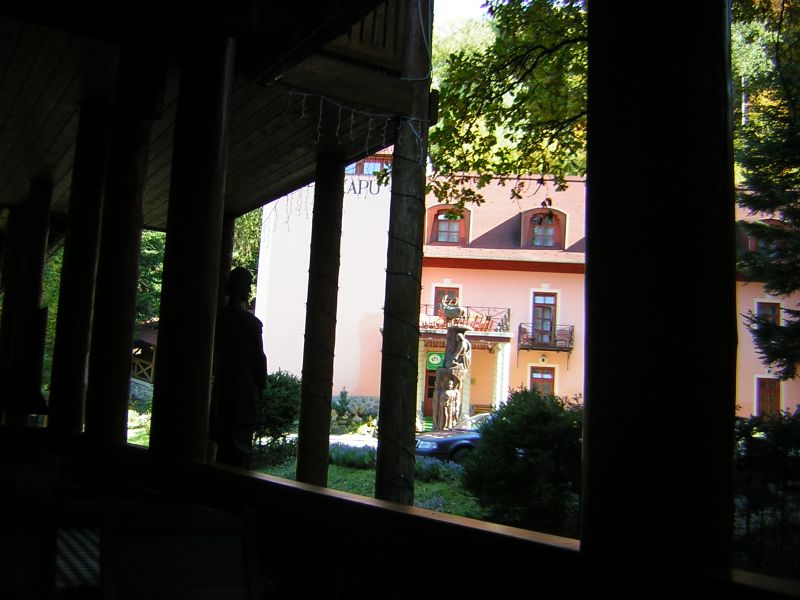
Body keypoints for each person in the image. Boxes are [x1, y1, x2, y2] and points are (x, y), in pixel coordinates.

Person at [210, 267, 267, 468]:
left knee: (224, 446)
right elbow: (259, 359)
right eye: (248, 284)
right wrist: (260, 385)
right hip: (242, 389)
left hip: (223, 386)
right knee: (240, 449)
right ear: (240, 287)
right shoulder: (251, 323)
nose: (250, 289)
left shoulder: (218, 318)